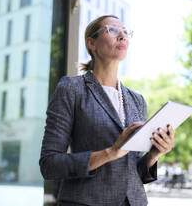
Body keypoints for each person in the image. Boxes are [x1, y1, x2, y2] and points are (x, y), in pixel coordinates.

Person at [39, 15, 175, 206]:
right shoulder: (72, 88)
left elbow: (130, 170)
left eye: (126, 32)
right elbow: (49, 165)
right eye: (112, 30)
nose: (122, 36)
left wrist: (154, 154)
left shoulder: (137, 100)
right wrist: (111, 152)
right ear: (91, 43)